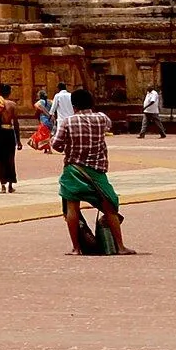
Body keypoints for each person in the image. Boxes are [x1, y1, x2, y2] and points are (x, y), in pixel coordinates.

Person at [55, 94, 131, 254]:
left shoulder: (68, 121)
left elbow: (57, 145)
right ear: (92, 104)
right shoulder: (102, 118)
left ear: (74, 106)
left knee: (72, 207)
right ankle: (121, 246)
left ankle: (76, 248)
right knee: (110, 207)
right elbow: (108, 127)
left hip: (73, 170)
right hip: (97, 171)